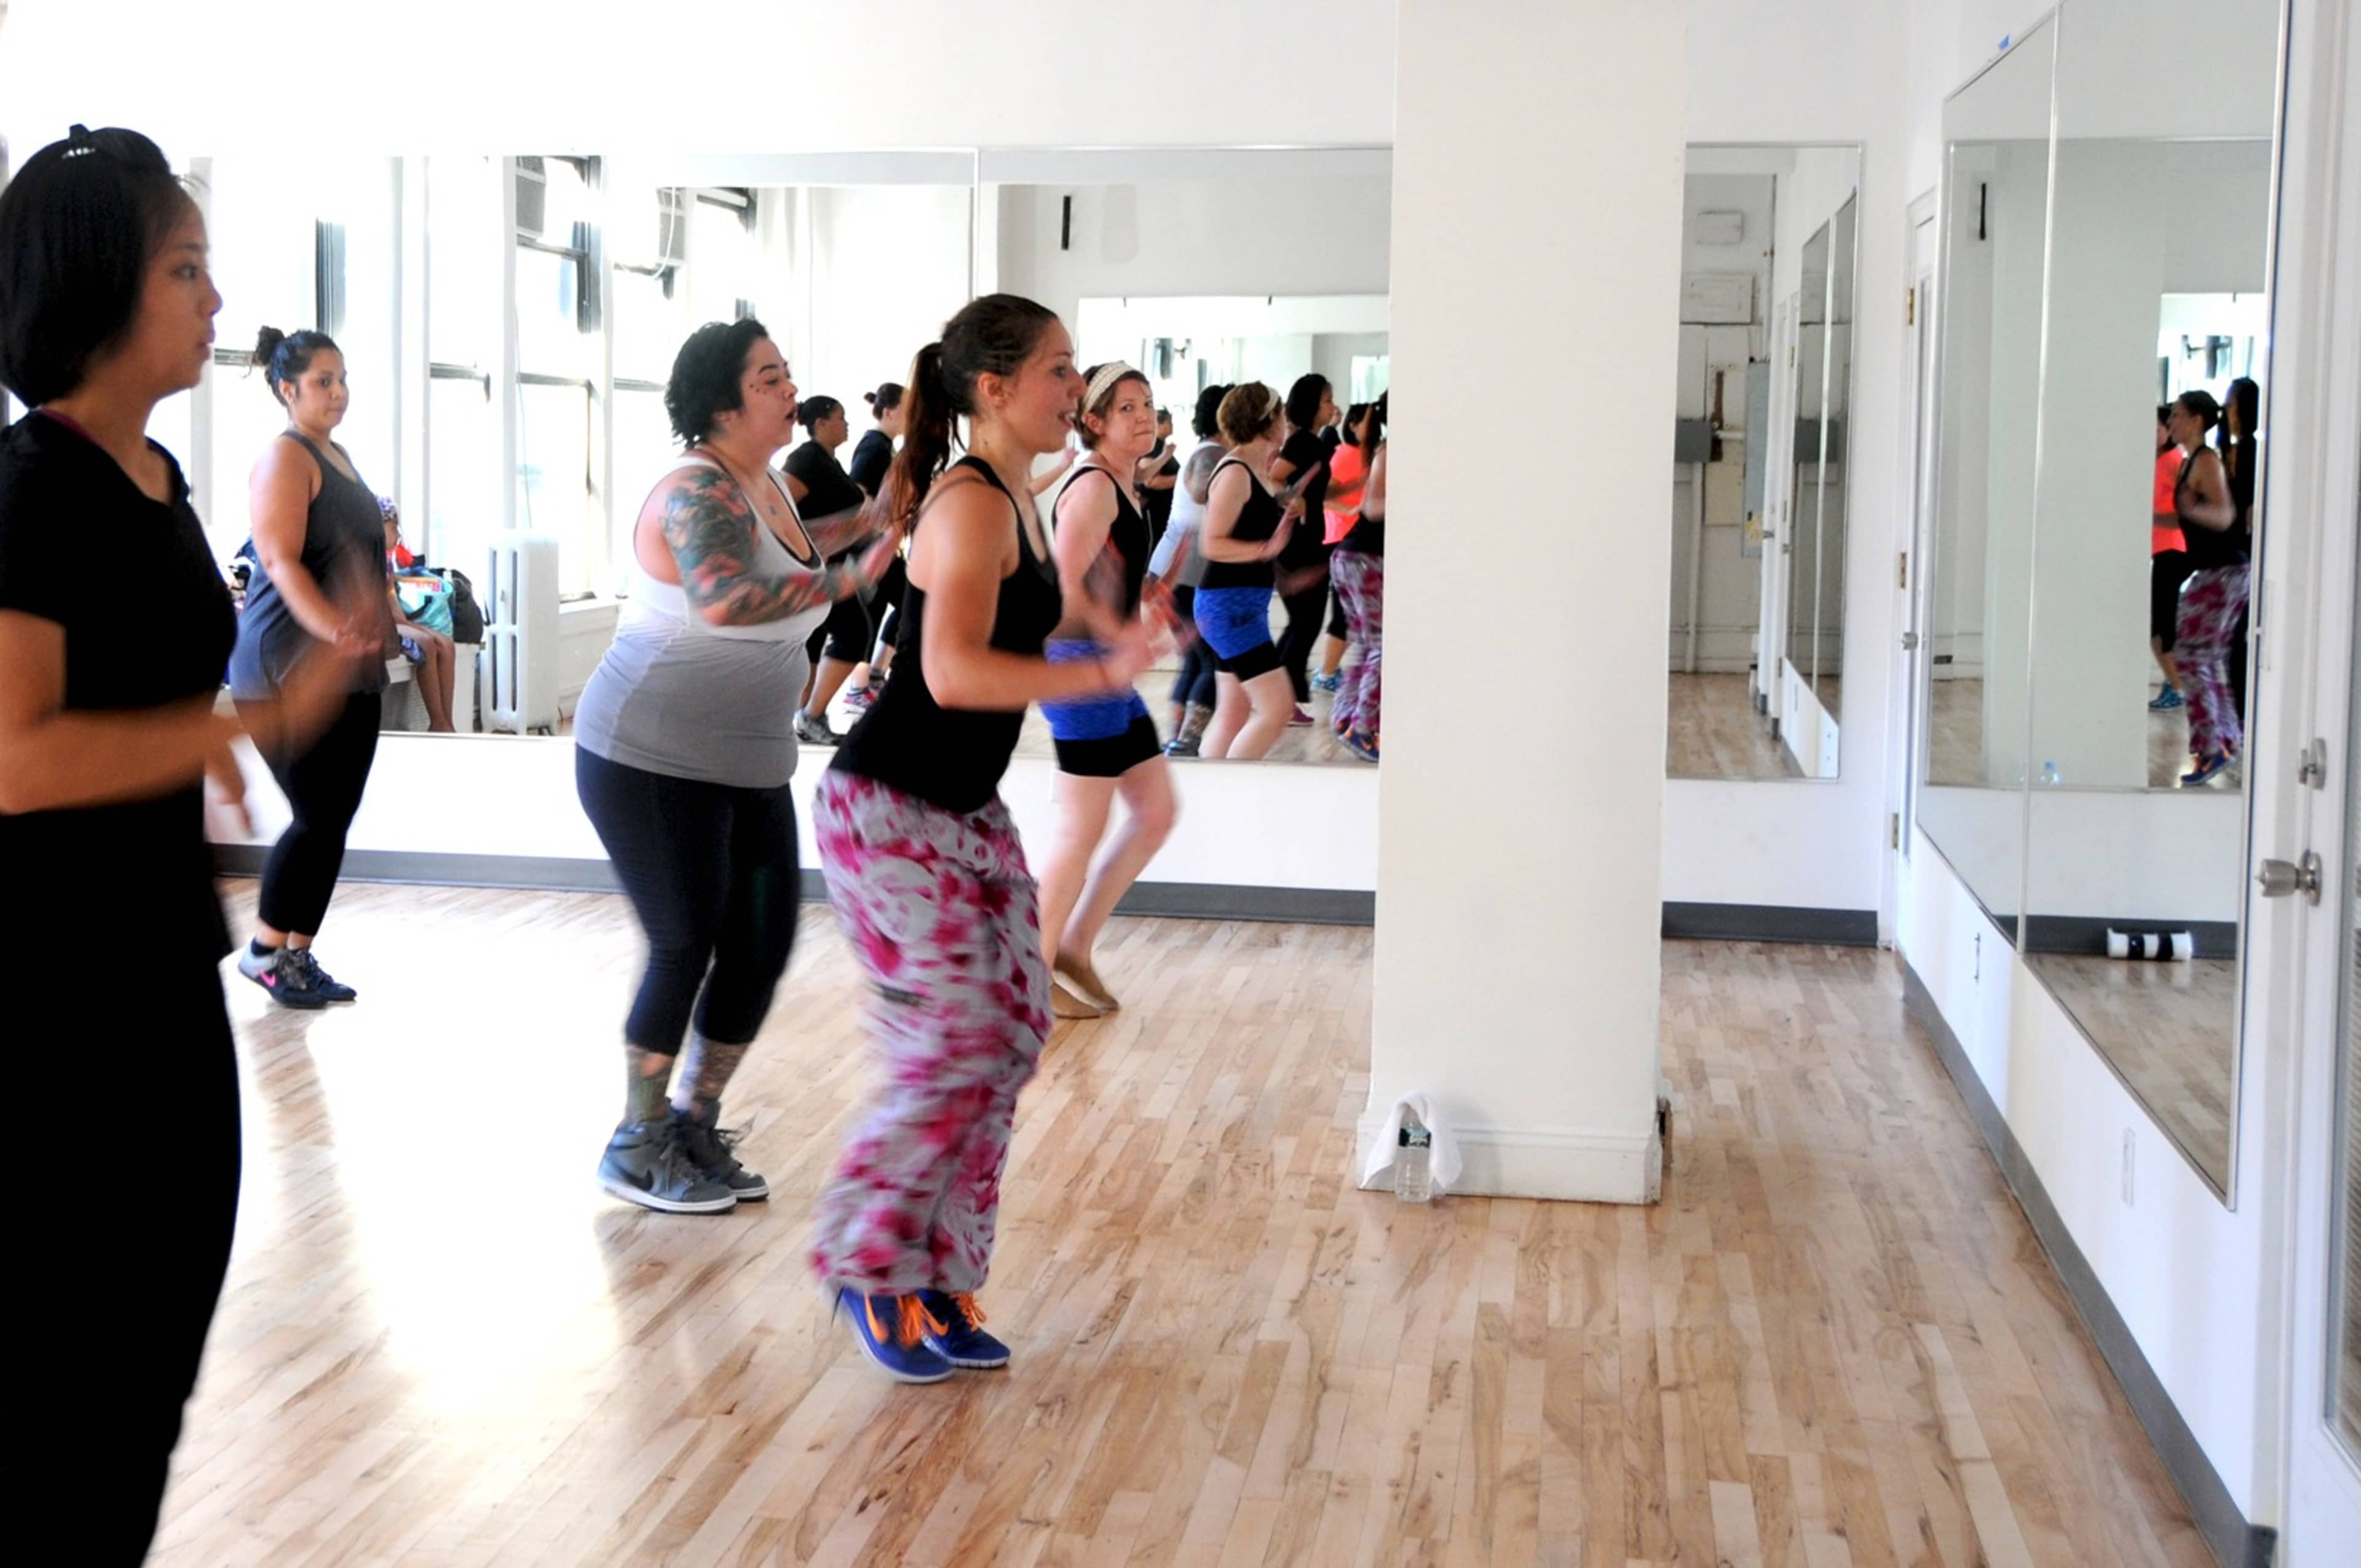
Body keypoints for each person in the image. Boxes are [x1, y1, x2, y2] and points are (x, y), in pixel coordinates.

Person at [0, 123, 364, 1566]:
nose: (218, 303)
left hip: (159, 965)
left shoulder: (156, 476)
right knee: (73, 1388)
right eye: (184, 270)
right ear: (98, 285)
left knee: (146, 1369)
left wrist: (220, 736)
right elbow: (18, 757)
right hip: (52, 992)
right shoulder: (35, 487)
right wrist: (230, 734)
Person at [810, 294, 1159, 1383]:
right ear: (996, 388)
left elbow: (1013, 619)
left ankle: (943, 1274)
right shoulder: (968, 501)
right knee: (955, 1042)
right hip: (889, 810)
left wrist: (1106, 627)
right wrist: (1098, 671)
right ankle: (870, 1263)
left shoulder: (1016, 489)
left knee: (1011, 1033)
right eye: (1062, 371)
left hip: (962, 808)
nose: (1079, 390)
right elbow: (954, 673)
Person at [574, 320, 894, 1215]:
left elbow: (792, 545)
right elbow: (725, 595)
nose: (789, 387)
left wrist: (878, 517)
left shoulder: (770, 489)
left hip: (748, 761)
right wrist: (858, 570)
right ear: (721, 400)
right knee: (685, 939)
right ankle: (635, 1142)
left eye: (787, 371)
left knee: (759, 943)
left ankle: (693, 1119)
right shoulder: (693, 489)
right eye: (768, 377)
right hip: (648, 756)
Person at [226, 324, 397, 1008]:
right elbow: (279, 562)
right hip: (284, 665)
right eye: (324, 381)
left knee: (336, 814)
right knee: (316, 812)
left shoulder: (339, 455)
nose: (338, 392)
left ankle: (297, 954)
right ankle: (265, 950)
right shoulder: (285, 458)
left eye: (343, 379)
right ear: (286, 389)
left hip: (347, 665)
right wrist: (330, 627)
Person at [1037, 362, 1180, 1020]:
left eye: (1148, 404)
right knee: (1081, 829)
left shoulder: (1128, 485)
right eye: (1127, 407)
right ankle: (1029, 976)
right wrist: (1123, 631)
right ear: (1094, 420)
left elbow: (1104, 576)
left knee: (1154, 810)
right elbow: (1063, 592)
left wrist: (1143, 605)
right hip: (1079, 666)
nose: (1144, 416)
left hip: (1106, 670)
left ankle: (1075, 945)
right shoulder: (1091, 488)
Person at [1194, 382, 1302, 760]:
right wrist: (1264, 549)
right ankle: (1232, 790)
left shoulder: (1255, 469)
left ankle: (1211, 795)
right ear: (1270, 419)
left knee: (1234, 712)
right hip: (1228, 608)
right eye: (1283, 414)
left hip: (1240, 606)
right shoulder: (1236, 471)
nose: (1286, 422)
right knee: (1276, 710)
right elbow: (1212, 544)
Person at [783, 395, 876, 744]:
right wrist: (811, 545)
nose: (847, 424)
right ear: (821, 424)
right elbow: (778, 510)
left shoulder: (827, 460)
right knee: (855, 632)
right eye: (841, 418)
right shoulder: (806, 458)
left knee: (818, 639)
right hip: (815, 570)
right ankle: (810, 714)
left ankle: (804, 717)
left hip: (831, 566)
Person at [2166, 390, 2244, 786]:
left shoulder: (2206, 460)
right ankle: (2227, 740)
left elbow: (2224, 513)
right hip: (2215, 572)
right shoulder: (2188, 462)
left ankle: (2214, 747)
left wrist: (2192, 509)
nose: (2172, 422)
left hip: (2224, 572)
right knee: (2203, 657)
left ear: (2197, 420)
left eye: (2178, 415)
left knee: (2194, 656)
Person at [1148, 383, 1228, 757]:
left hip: (1177, 569)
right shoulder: (1212, 454)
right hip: (1186, 571)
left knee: (1197, 658)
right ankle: (1186, 740)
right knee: (1210, 658)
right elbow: (1200, 492)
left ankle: (1177, 738)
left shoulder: (1209, 451)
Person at [1268, 373, 1338, 719]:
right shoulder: (1301, 443)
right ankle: (1282, 699)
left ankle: (1282, 698)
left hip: (1310, 540)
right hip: (1299, 545)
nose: (1332, 407)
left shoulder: (1313, 441)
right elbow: (1273, 479)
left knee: (1304, 622)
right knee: (1305, 622)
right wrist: (1293, 502)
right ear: (1312, 404)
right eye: (1327, 400)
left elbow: (1319, 490)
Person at [1330, 393, 1386, 762]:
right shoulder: (1390, 451)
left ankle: (1346, 720)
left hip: (1357, 557)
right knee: (1381, 646)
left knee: (1368, 645)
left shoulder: (1385, 449)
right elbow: (1374, 506)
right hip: (1363, 558)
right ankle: (1363, 727)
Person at [844, 382, 905, 711]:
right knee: (909, 602)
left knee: (896, 606)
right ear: (890, 411)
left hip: (877, 547)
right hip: (869, 549)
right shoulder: (874, 447)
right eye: (906, 409)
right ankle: (864, 683)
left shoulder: (885, 446)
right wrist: (883, 527)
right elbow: (858, 492)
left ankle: (869, 680)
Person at [381, 495, 459, 733]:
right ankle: (437, 720)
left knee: (445, 644)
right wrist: (414, 630)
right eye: (394, 528)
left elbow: (392, 597)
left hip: (393, 620)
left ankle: (446, 720)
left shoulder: (387, 564)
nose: (398, 535)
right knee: (425, 643)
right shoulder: (365, 558)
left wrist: (409, 625)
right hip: (376, 623)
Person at [1314, 401, 1377, 693]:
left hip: (1356, 540)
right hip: (1343, 538)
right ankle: (1326, 673)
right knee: (1343, 614)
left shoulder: (1370, 455)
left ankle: (1330, 672)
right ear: (1352, 425)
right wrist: (1351, 511)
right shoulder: (1344, 454)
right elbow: (1322, 496)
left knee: (1350, 615)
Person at [2222, 375, 2261, 735]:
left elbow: (2244, 507)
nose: (2227, 412)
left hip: (2243, 555)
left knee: (2237, 637)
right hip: (2240, 553)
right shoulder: (2240, 448)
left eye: (2231, 405)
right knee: (2235, 638)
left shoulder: (2248, 449)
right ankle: (2240, 715)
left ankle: (2242, 716)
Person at [2147, 404, 2188, 711]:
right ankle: (2173, 684)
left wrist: (2154, 517)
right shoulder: (2159, 461)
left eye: (2159, 429)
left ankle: (2178, 687)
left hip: (2173, 549)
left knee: (2162, 629)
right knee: (2157, 629)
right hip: (2160, 549)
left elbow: (2180, 510)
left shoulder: (2175, 461)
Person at [1136, 405, 1179, 556]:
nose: (1172, 426)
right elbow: (1151, 481)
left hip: (1164, 508)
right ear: (1158, 425)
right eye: (1169, 422)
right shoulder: (1154, 447)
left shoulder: (1162, 446)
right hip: (1154, 509)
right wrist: (1181, 479)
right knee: (1155, 547)